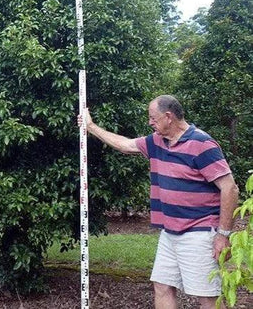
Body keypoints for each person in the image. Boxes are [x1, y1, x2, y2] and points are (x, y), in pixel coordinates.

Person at [78, 95, 239, 309]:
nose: (150, 122)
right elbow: (126, 145)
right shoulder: (156, 141)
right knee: (162, 286)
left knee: (207, 296)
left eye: (153, 118)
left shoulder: (202, 144)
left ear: (168, 117)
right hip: (169, 232)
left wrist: (223, 235)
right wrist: (91, 127)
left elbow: (230, 188)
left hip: (199, 232)